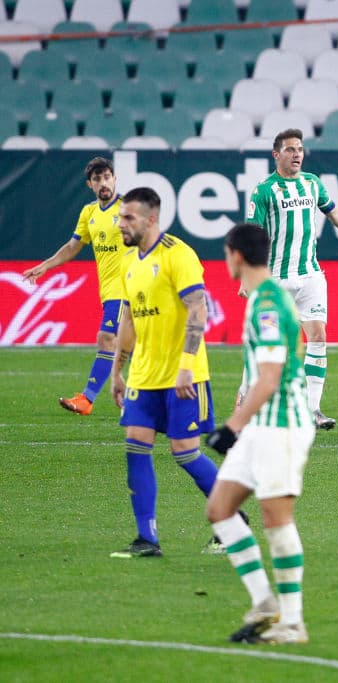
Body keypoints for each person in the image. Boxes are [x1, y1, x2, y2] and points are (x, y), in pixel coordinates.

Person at [205, 223, 315, 645]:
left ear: (235, 254)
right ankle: (264, 602)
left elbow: (268, 378)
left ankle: (292, 621)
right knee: (219, 508)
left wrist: (231, 426)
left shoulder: (268, 303)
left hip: (282, 424)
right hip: (261, 425)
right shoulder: (265, 300)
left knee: (276, 518)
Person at [108, 187, 221, 558]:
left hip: (183, 377)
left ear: (150, 219)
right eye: (121, 216)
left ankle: (231, 520)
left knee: (184, 453)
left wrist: (186, 367)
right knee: (135, 448)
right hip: (143, 376)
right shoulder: (129, 261)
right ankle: (147, 539)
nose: (121, 223)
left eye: (128, 217)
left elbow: (197, 310)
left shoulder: (178, 255)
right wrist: (117, 371)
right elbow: (127, 318)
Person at [246, 128, 338, 430]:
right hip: (275, 281)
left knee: (318, 335)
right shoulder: (264, 190)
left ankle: (312, 409)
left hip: (310, 275)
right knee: (269, 343)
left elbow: (335, 214)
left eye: (300, 149)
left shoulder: (312, 184)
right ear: (276, 155)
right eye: (290, 150)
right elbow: (252, 235)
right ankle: (246, 397)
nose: (297, 154)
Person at [23, 157, 126, 416]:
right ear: (89, 184)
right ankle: (156, 406)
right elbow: (72, 247)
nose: (103, 183)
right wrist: (46, 265)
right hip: (110, 292)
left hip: (128, 290)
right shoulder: (89, 213)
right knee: (134, 349)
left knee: (107, 340)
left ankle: (87, 398)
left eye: (107, 177)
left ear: (115, 178)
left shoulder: (128, 208)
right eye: (97, 179)